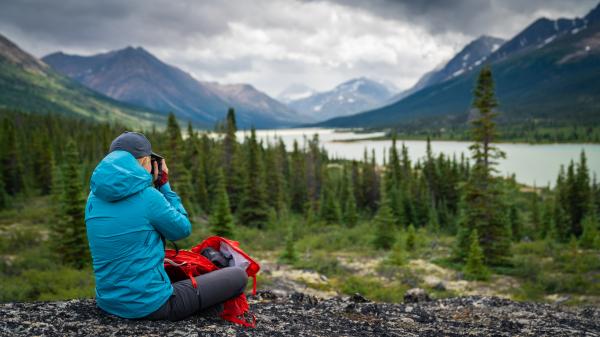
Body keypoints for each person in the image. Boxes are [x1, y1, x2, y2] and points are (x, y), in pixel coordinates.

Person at [85, 131, 248, 321]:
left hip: (107, 302)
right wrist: (164, 186)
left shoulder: (93, 198)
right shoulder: (148, 197)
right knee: (238, 276)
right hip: (152, 305)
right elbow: (182, 229)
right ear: (145, 161)